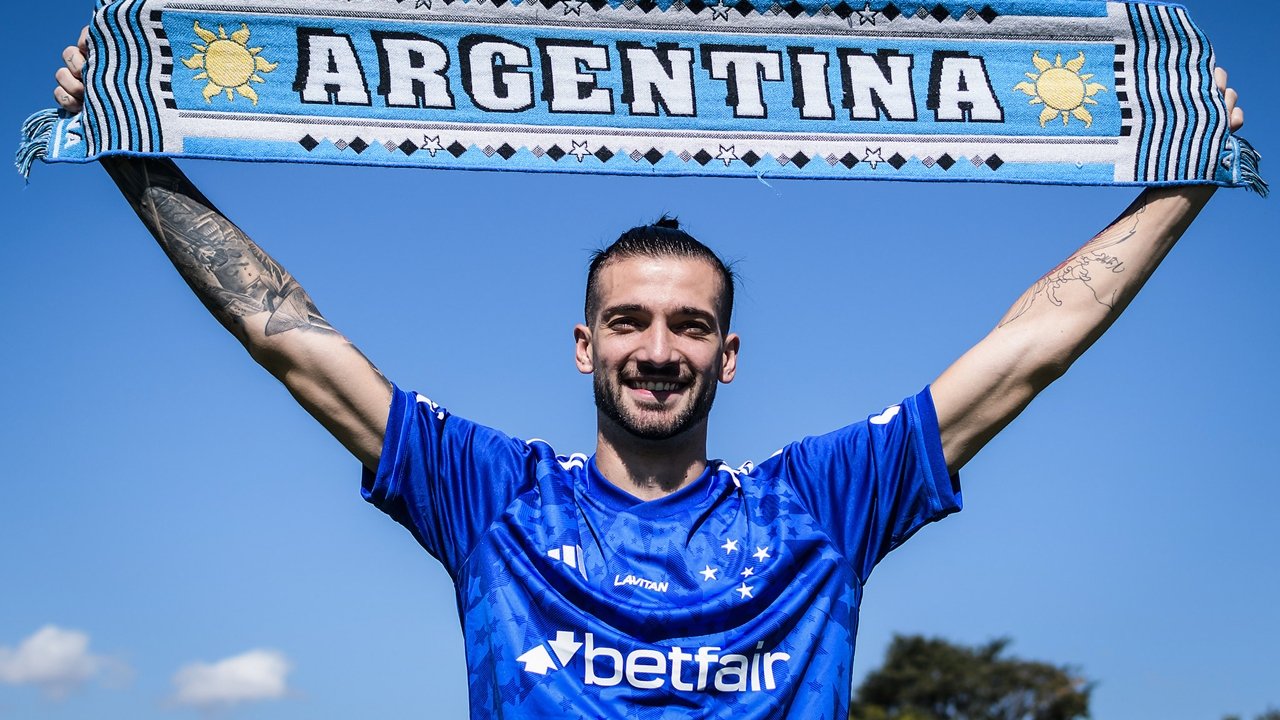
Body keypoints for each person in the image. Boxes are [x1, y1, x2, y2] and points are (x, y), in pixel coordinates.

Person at [52, 25, 1247, 720]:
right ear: (585, 345)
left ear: (727, 356)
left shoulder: (817, 506)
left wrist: (1182, 181)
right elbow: (287, 340)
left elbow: (1025, 352)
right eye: (627, 322)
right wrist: (133, 161)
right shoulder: (494, 497)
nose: (656, 351)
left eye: (688, 328)